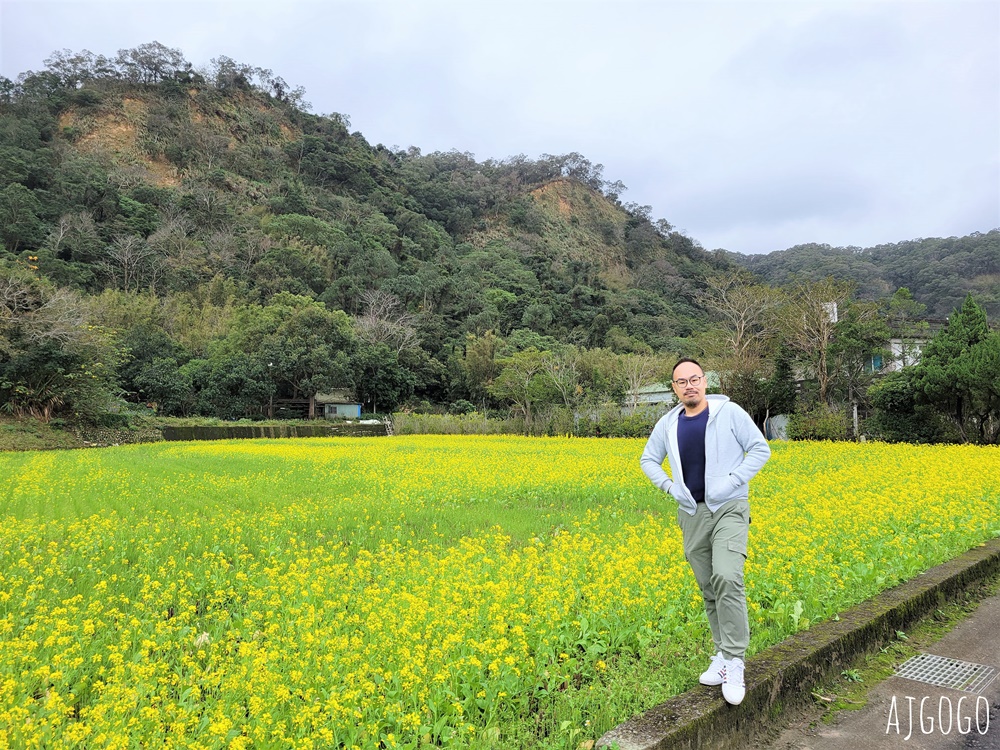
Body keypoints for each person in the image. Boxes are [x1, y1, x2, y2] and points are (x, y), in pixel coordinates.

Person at [640, 357, 771, 706]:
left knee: (727, 576)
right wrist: (670, 488)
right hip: (691, 513)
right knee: (709, 585)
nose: (689, 386)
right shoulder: (668, 423)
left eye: (694, 379)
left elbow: (760, 449)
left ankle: (735, 660)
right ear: (674, 388)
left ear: (705, 381)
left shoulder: (729, 414)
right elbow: (648, 460)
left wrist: (732, 482)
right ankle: (721, 654)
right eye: (681, 382)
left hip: (729, 508)